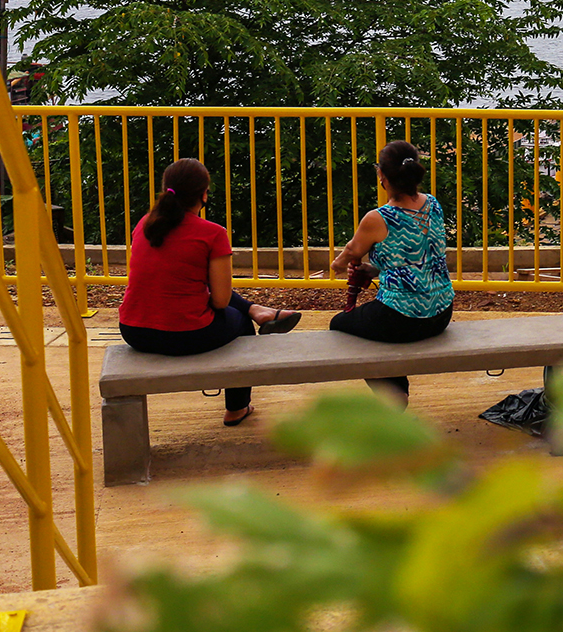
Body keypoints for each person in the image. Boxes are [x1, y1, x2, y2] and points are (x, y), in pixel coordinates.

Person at [117, 157, 300, 426]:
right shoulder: (212, 233)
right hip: (184, 335)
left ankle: (258, 310)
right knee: (242, 324)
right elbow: (221, 300)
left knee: (207, 293)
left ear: (166, 189)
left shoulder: (146, 224)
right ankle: (237, 407)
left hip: (134, 331)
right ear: (204, 194)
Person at [330, 140, 453, 400]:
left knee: (340, 326)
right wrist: (374, 269)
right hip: (441, 313)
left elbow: (352, 250)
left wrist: (336, 265)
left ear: (382, 176)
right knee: (369, 324)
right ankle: (394, 388)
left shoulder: (378, 217)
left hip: (401, 319)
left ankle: (393, 390)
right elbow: (415, 257)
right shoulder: (433, 204)